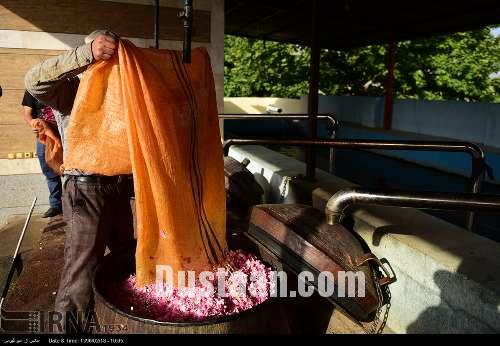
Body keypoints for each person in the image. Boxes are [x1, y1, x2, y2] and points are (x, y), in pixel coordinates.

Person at [24, 30, 135, 333]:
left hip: (118, 186)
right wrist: (86, 55)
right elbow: (34, 80)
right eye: (101, 53)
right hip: (85, 189)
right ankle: (69, 332)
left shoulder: (125, 90)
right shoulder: (73, 89)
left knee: (127, 256)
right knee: (81, 270)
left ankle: (116, 320)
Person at [21, 91, 63, 218]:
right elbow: (27, 114)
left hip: (65, 132)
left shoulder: (62, 85)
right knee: (48, 169)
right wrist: (33, 124)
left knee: (71, 167)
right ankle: (56, 205)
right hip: (45, 135)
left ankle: (71, 203)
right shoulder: (32, 88)